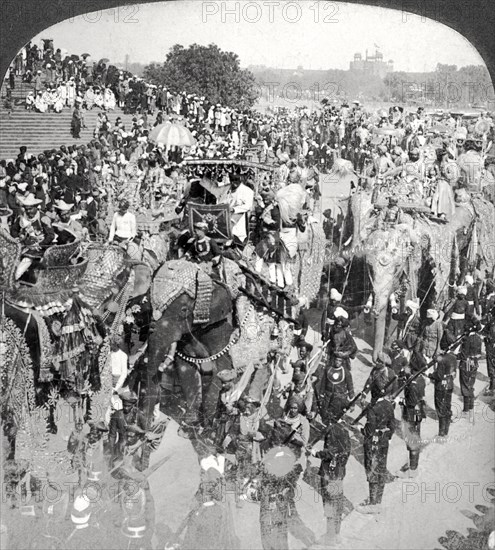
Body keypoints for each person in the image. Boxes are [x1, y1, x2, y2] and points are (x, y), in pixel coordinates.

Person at [309, 396, 351, 546]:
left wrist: (315, 453)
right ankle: (336, 534)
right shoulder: (344, 429)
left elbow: (330, 452)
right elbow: (347, 452)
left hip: (329, 472)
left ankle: (330, 537)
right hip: (338, 471)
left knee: (329, 503)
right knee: (337, 502)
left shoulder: (333, 430)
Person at [356, 385, 396, 514]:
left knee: (372, 469)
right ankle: (378, 501)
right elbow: (392, 424)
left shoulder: (373, 409)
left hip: (373, 441)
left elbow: (369, 430)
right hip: (384, 440)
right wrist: (388, 437)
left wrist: (359, 428)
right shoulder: (389, 405)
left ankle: (373, 504)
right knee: (381, 468)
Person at [11, 193, 54, 280]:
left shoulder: (43, 218)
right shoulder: (21, 218)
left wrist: (40, 244)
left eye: (30, 209)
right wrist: (17, 237)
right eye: (26, 209)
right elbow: (14, 229)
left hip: (40, 247)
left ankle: (13, 279)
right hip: (24, 244)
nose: (28, 211)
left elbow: (50, 235)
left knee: (27, 258)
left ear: (36, 207)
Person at [395, 356, 426, 478]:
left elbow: (411, 402)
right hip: (417, 411)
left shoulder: (413, 384)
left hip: (411, 412)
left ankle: (412, 470)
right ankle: (412, 465)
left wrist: (401, 400)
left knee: (412, 439)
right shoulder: (420, 379)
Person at [319, 355, 354, 423]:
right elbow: (323, 383)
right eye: (336, 360)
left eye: (340, 361)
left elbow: (350, 388)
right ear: (334, 360)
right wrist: (321, 396)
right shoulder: (328, 369)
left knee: (335, 419)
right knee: (324, 416)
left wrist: (352, 404)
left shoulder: (346, 372)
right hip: (328, 397)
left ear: (342, 362)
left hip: (339, 399)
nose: (337, 362)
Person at [459, 319, 483, 418]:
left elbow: (463, 354)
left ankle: (466, 408)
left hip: (466, 363)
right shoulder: (478, 338)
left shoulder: (467, 339)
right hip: (474, 362)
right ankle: (471, 406)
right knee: (471, 384)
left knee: (465, 385)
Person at [428, 353, 456, 437]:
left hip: (441, 386)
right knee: (447, 406)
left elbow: (439, 375)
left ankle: (441, 433)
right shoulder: (453, 357)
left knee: (440, 409)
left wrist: (431, 375)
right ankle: (446, 431)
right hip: (450, 383)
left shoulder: (442, 358)